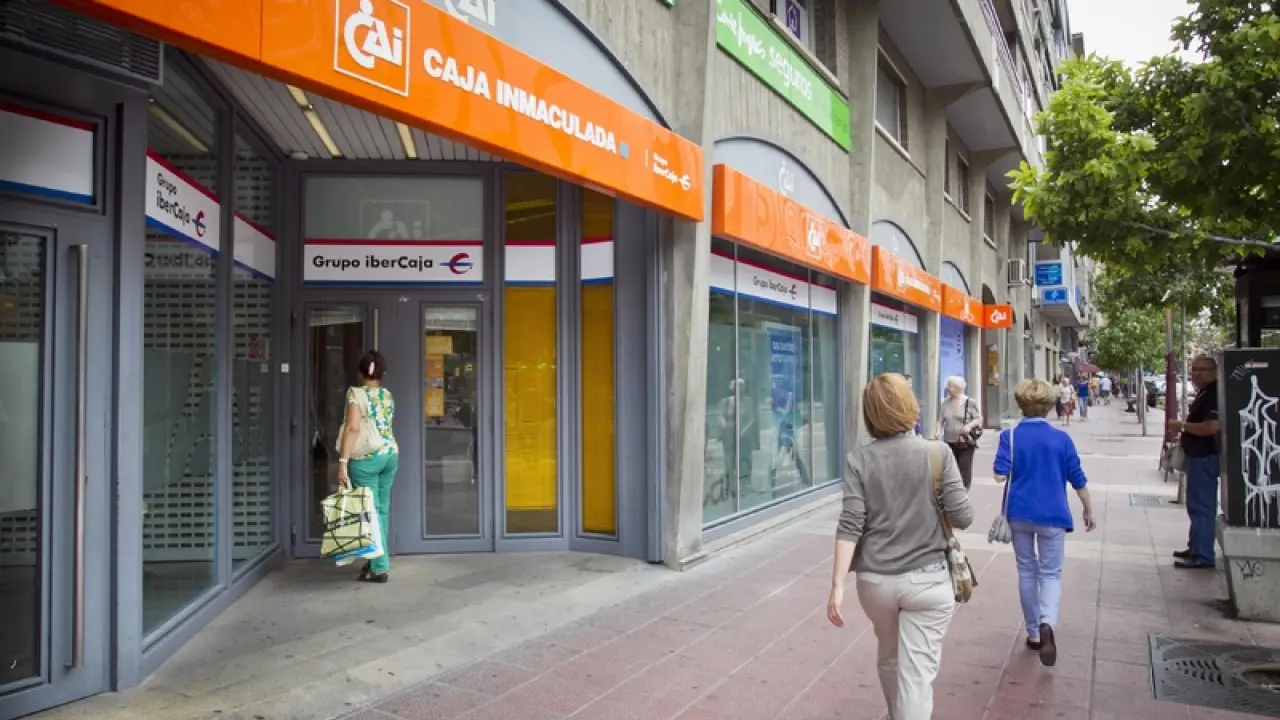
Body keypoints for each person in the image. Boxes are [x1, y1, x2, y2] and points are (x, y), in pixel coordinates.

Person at [828, 373, 974, 720]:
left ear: (870, 414)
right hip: (928, 580)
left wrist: (837, 585)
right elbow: (963, 517)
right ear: (911, 407)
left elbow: (850, 524)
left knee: (890, 657)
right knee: (917, 676)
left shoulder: (858, 459)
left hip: (875, 582)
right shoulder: (938, 453)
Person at [994, 378, 1096, 667]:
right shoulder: (1061, 439)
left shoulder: (1010, 436)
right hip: (1053, 514)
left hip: (1019, 513)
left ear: (1020, 404)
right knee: (1051, 574)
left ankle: (1033, 633)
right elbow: (1078, 479)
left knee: (1027, 570)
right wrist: (1088, 509)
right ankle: (1047, 622)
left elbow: (999, 475)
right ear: (1050, 406)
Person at [337, 350, 399, 583]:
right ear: (383, 373)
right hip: (390, 454)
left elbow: (353, 428)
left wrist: (343, 462)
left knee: (369, 512)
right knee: (381, 510)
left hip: (366, 460)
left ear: (361, 371)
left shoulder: (355, 394)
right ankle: (375, 560)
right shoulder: (387, 395)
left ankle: (379, 566)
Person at [1170, 356, 1220, 570]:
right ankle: (1196, 547)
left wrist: (1182, 425)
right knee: (1196, 505)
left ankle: (1203, 555)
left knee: (1202, 507)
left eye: (1203, 370)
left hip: (1204, 457)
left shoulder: (1214, 394)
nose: (1197, 374)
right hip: (1198, 457)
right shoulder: (1205, 392)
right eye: (1195, 369)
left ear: (1214, 372)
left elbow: (1211, 427)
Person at [935, 375, 981, 490]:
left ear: (958, 388)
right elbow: (940, 420)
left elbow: (978, 419)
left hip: (965, 441)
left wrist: (969, 426)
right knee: (950, 467)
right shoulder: (945, 403)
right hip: (949, 440)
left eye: (950, 386)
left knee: (964, 467)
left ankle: (963, 490)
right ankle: (952, 489)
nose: (947, 388)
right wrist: (938, 431)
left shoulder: (970, 402)